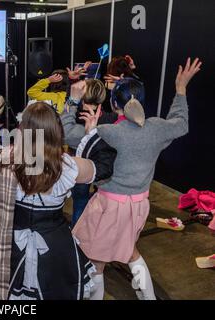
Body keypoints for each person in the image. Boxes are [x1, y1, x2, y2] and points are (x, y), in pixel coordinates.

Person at [71, 58, 202, 300]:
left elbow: (73, 140)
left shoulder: (107, 132)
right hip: (139, 206)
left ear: (113, 103)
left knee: (96, 261)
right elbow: (181, 124)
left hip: (109, 206)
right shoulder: (155, 128)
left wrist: (81, 116)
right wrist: (181, 89)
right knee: (130, 252)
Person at [0, 101, 116, 300]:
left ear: (22, 129)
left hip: (11, 248)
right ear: (56, 131)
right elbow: (103, 168)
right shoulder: (68, 166)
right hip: (56, 248)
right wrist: (92, 135)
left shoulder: (4, 161)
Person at [61, 79, 118, 226]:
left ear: (82, 96)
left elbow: (65, 131)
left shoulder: (79, 119)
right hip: (105, 173)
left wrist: (72, 101)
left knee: (80, 202)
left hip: (83, 168)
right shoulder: (112, 120)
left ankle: (78, 240)